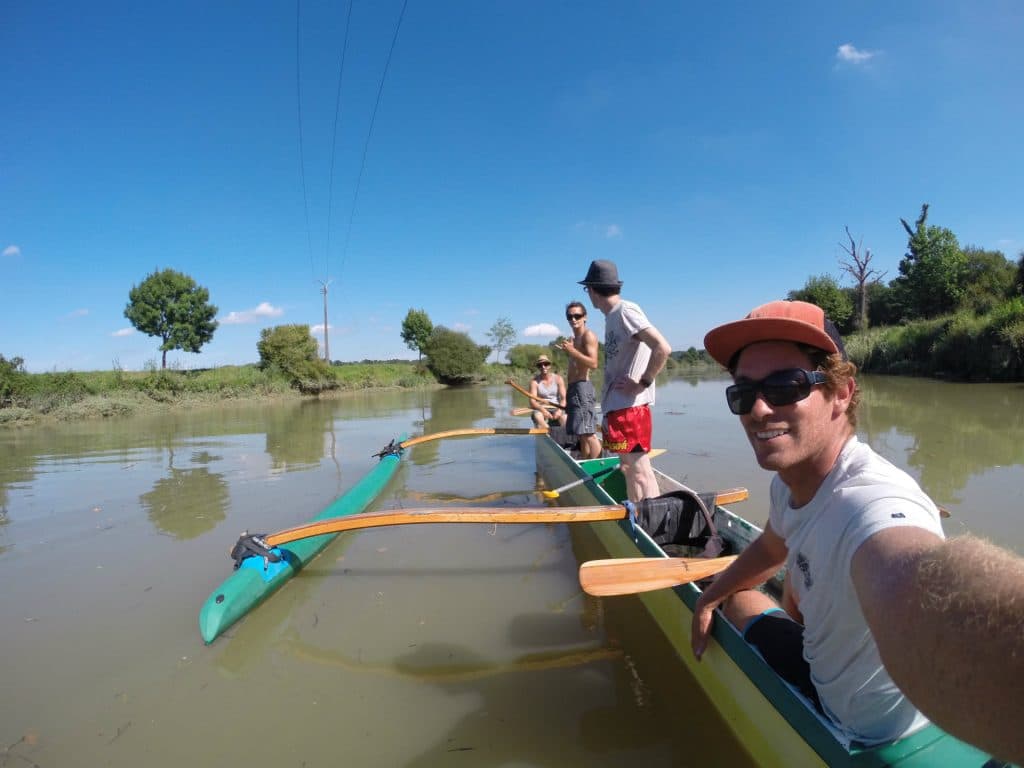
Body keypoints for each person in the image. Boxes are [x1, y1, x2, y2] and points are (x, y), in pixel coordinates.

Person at [691, 299, 1024, 762]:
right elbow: (773, 543)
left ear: (842, 392)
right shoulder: (791, 483)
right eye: (742, 393)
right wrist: (710, 593)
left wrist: (720, 596)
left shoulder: (872, 501)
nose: (759, 409)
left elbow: (915, 574)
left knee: (742, 603)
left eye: (785, 386)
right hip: (843, 680)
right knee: (740, 592)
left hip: (860, 730)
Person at [579, 259, 671, 501]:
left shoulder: (625, 311)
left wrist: (643, 382)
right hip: (617, 408)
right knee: (629, 468)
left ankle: (646, 523)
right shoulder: (611, 316)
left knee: (639, 471)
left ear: (592, 289)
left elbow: (662, 347)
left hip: (629, 410)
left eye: (586, 289)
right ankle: (637, 517)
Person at [558, 301, 602, 459]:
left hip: (583, 388)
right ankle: (585, 463)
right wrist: (569, 351)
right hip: (573, 388)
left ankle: (599, 468)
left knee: (589, 433)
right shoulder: (573, 339)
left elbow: (594, 363)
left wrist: (572, 351)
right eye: (570, 316)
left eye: (577, 315)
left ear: (585, 317)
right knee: (581, 433)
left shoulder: (588, 336)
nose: (573, 319)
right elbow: (577, 361)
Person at [528, 354, 566, 429]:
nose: (543, 367)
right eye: (540, 365)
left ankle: (565, 437)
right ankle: (549, 432)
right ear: (538, 367)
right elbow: (532, 401)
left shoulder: (558, 379)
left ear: (550, 365)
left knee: (565, 418)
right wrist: (543, 410)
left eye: (546, 364)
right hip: (541, 407)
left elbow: (563, 399)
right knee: (538, 417)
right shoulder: (534, 382)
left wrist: (559, 410)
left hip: (556, 406)